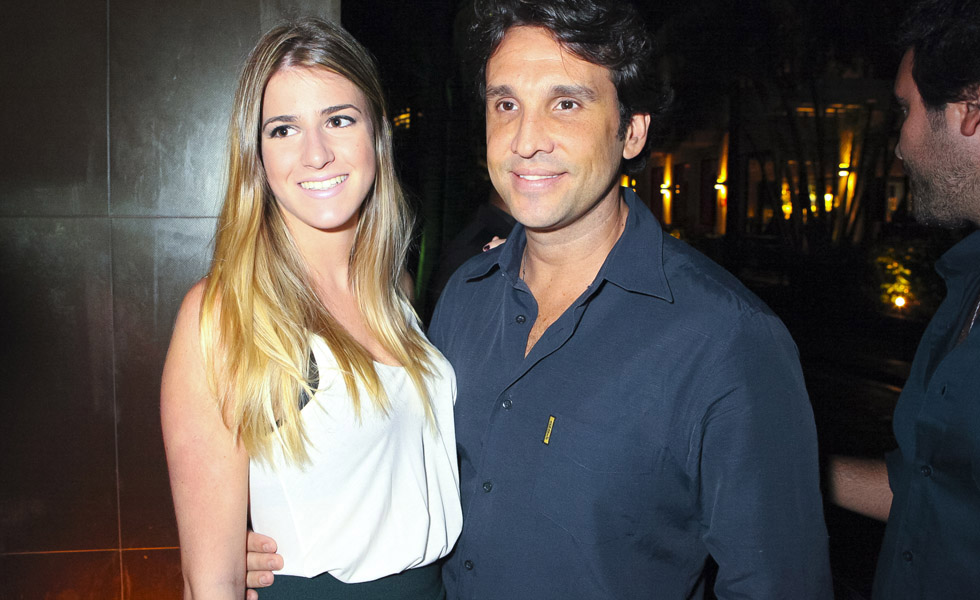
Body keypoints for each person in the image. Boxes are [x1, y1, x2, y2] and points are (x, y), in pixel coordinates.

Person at [247, 1, 832, 597]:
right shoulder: (465, 299)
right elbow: (396, 469)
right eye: (506, 105)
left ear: (632, 130)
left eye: (566, 104)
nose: (526, 141)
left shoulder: (727, 340)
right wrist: (259, 539)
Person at [161, 18, 461, 599]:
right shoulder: (224, 315)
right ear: (257, 155)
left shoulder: (393, 290)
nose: (316, 154)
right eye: (284, 130)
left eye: (338, 120)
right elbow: (211, 581)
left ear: (377, 134)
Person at [826, 0, 980, 597]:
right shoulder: (966, 280)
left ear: (969, 109)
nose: (899, 146)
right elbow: (935, 491)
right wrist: (772, 464)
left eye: (905, 110)